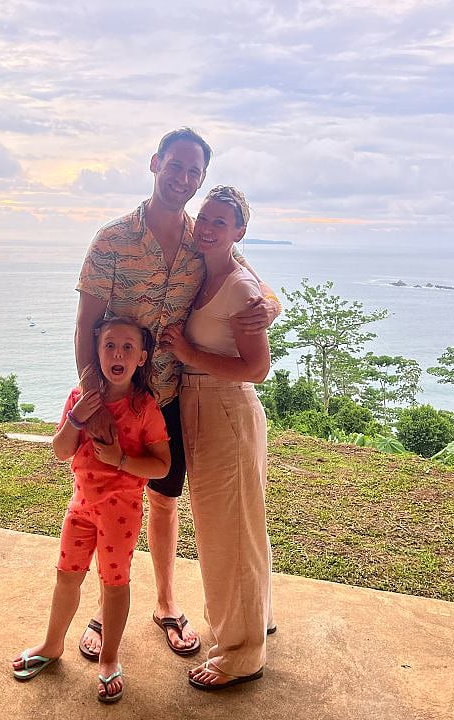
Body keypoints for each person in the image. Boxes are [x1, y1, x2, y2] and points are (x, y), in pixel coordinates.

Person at [75, 128, 280, 660]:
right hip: (120, 397)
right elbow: (86, 326)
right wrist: (95, 402)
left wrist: (273, 306)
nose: (183, 178)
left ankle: (165, 603)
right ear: (155, 163)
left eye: (195, 171)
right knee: (110, 501)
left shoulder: (201, 238)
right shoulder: (112, 239)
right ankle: (106, 607)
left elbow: (256, 285)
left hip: (170, 396)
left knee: (165, 500)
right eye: (176, 165)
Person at [12, 317, 170, 703]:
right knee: (66, 576)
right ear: (95, 353)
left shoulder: (144, 407)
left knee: (114, 584)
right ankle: (52, 645)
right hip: (80, 505)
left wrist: (120, 460)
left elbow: (162, 465)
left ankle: (110, 657)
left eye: (127, 347)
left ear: (141, 357)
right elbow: (61, 450)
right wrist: (76, 417)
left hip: (121, 511)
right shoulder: (80, 398)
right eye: (109, 346)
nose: (117, 353)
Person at [161, 186, 273, 690]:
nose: (207, 228)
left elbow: (257, 367)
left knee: (228, 532)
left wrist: (187, 353)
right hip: (201, 404)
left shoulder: (238, 287)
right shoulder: (208, 268)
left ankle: (241, 652)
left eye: (220, 223)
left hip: (225, 406)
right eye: (204, 218)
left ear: (238, 233)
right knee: (238, 526)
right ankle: (254, 620)